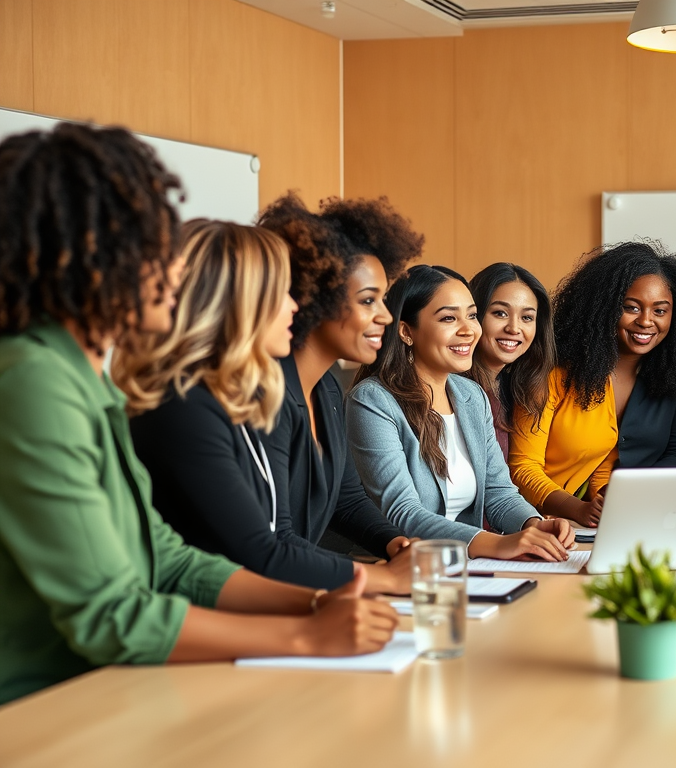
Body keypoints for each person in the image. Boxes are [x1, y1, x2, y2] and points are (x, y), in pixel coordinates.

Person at [0, 124, 396, 705]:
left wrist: (315, 600)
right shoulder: (36, 382)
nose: (176, 269)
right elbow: (113, 616)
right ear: (86, 258)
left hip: (119, 689)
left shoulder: (85, 381)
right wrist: (305, 634)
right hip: (48, 708)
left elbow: (171, 561)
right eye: (153, 246)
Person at [118, 220, 409, 593]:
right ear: (235, 302)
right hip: (204, 623)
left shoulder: (231, 396)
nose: (295, 303)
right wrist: (382, 578)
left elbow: (273, 541)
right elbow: (260, 552)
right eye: (280, 292)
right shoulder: (183, 406)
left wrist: (389, 552)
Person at [346, 265, 574, 559]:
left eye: (472, 315)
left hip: (467, 567)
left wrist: (535, 524)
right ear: (406, 331)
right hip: (401, 567)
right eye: (449, 318)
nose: (469, 330)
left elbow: (499, 492)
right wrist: (499, 544)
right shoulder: (373, 401)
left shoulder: (471, 396)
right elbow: (402, 514)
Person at [257, 194, 421, 559]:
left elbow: (345, 500)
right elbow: (276, 539)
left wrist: (396, 544)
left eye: (383, 300)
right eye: (368, 301)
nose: (386, 316)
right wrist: (379, 576)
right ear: (316, 297)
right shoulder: (266, 392)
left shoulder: (328, 389)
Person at [508, 241, 676, 527]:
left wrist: (608, 501)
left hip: (590, 526)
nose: (646, 321)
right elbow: (522, 467)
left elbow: (605, 461)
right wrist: (578, 509)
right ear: (603, 307)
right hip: (527, 519)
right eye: (631, 307)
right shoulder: (552, 372)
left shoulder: (672, 372)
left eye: (660, 311)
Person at [466, 262, 556, 461]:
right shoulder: (455, 391)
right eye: (500, 313)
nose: (514, 328)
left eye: (527, 317)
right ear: (474, 315)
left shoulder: (517, 389)